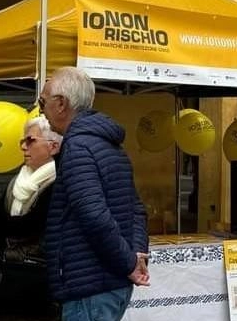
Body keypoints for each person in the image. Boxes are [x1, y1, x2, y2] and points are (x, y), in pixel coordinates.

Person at [41, 67, 149, 321]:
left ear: (61, 104)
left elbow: (94, 215)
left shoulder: (79, 147)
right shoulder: (109, 145)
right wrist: (137, 254)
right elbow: (136, 210)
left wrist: (131, 264)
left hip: (90, 288)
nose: (40, 111)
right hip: (107, 285)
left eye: (42, 102)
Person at [0, 115, 63, 321]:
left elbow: (33, 227)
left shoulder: (60, 183)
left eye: (30, 140)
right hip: (3, 281)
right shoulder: (18, 181)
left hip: (37, 287)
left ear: (53, 146)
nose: (24, 147)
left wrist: (11, 229)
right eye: (22, 141)